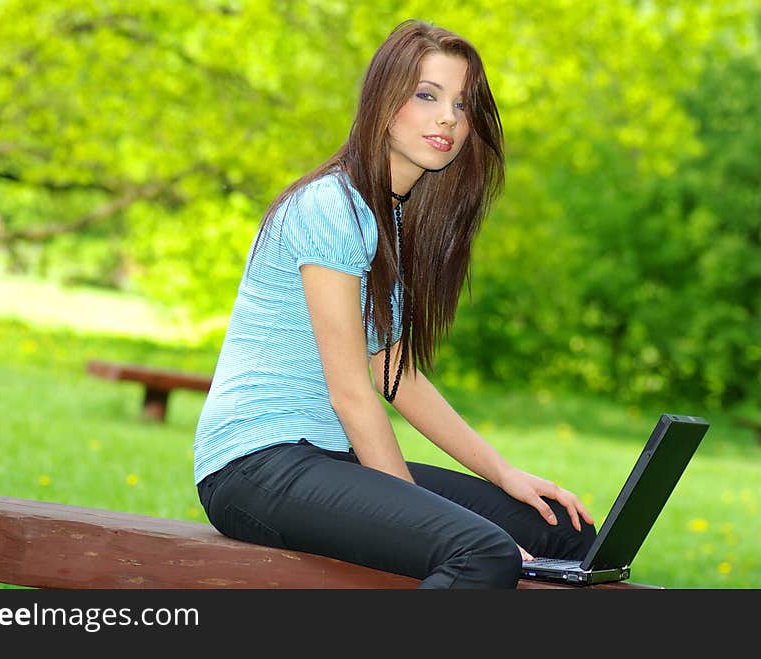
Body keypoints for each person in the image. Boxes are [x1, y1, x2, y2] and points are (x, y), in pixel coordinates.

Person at [193, 18, 596, 589]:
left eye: (462, 104)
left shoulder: (394, 218)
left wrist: (506, 474)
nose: (448, 119)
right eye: (427, 96)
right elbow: (353, 392)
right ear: (384, 104)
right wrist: (425, 519)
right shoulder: (332, 207)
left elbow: (394, 371)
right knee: (482, 553)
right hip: (255, 465)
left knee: (564, 532)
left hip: (327, 460)